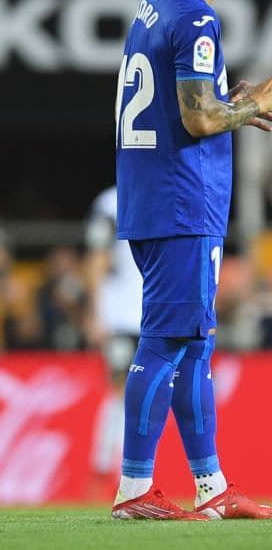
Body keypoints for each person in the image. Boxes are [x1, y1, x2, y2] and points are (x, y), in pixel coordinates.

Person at [112, 0, 272, 521]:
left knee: (195, 344)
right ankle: (134, 490)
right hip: (182, 203)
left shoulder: (157, 1)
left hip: (155, 199)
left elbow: (187, 106)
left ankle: (211, 487)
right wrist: (253, 107)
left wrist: (234, 100)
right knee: (168, 340)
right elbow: (199, 119)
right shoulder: (196, 15)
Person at [82, 186, 143, 495]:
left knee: (144, 396)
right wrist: (95, 312)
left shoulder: (162, 188)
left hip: (153, 314)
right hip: (120, 315)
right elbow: (97, 257)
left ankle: (129, 476)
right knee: (120, 392)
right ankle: (104, 472)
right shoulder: (111, 202)